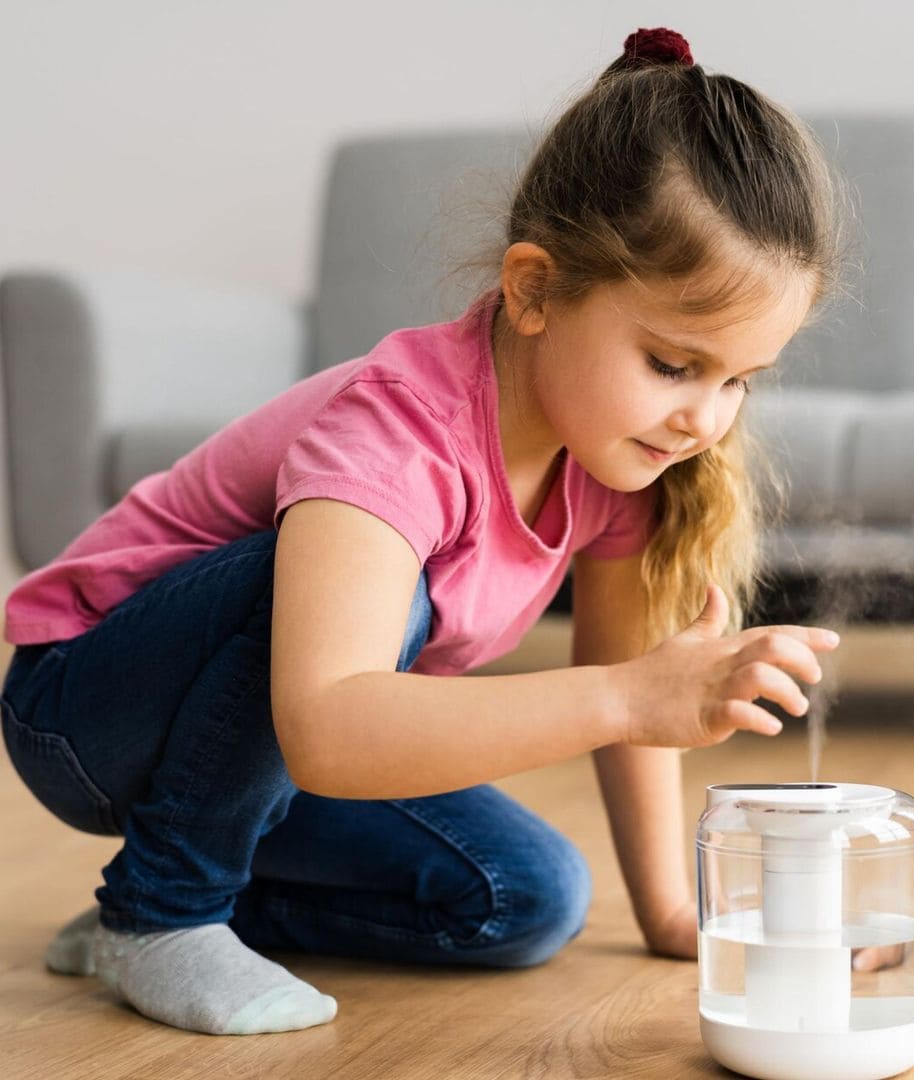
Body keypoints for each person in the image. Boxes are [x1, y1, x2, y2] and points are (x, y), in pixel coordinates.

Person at [0, 27, 846, 1036]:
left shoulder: (622, 457)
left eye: (739, 379)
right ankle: (164, 915)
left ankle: (153, 905)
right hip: (85, 709)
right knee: (378, 593)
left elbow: (631, 693)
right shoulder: (397, 435)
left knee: (524, 897)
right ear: (534, 290)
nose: (706, 418)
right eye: (674, 364)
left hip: (249, 740)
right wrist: (629, 695)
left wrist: (670, 910)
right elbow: (329, 724)